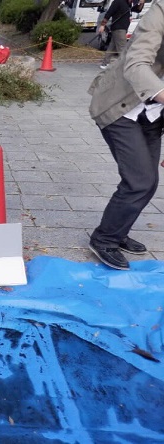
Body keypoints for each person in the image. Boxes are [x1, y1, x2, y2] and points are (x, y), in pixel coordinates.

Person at [87, 0, 164, 270]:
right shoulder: (161, 11)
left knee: (148, 181)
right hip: (119, 106)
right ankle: (103, 239)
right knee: (139, 180)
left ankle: (116, 232)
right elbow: (137, 63)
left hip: (153, 113)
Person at [98, 0, 144, 69]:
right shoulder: (118, 2)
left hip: (123, 28)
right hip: (118, 28)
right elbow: (109, 13)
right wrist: (102, 25)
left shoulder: (128, 4)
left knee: (112, 47)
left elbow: (138, 10)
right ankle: (125, 66)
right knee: (123, 48)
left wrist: (142, 3)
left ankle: (104, 63)